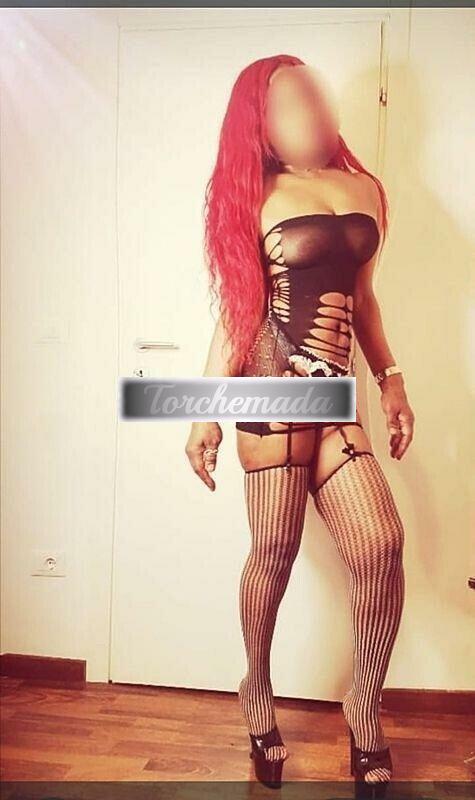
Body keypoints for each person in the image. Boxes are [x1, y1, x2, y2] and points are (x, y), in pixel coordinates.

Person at [185, 54, 415, 794]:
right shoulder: (254, 195)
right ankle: (256, 690)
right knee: (275, 551)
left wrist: (391, 379)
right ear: (260, 126)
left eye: (314, 92)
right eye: (288, 102)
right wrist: (205, 414)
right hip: (269, 389)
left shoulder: (364, 189)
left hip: (333, 395)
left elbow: (364, 299)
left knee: (380, 544)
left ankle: (364, 707)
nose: (310, 108)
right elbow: (238, 312)